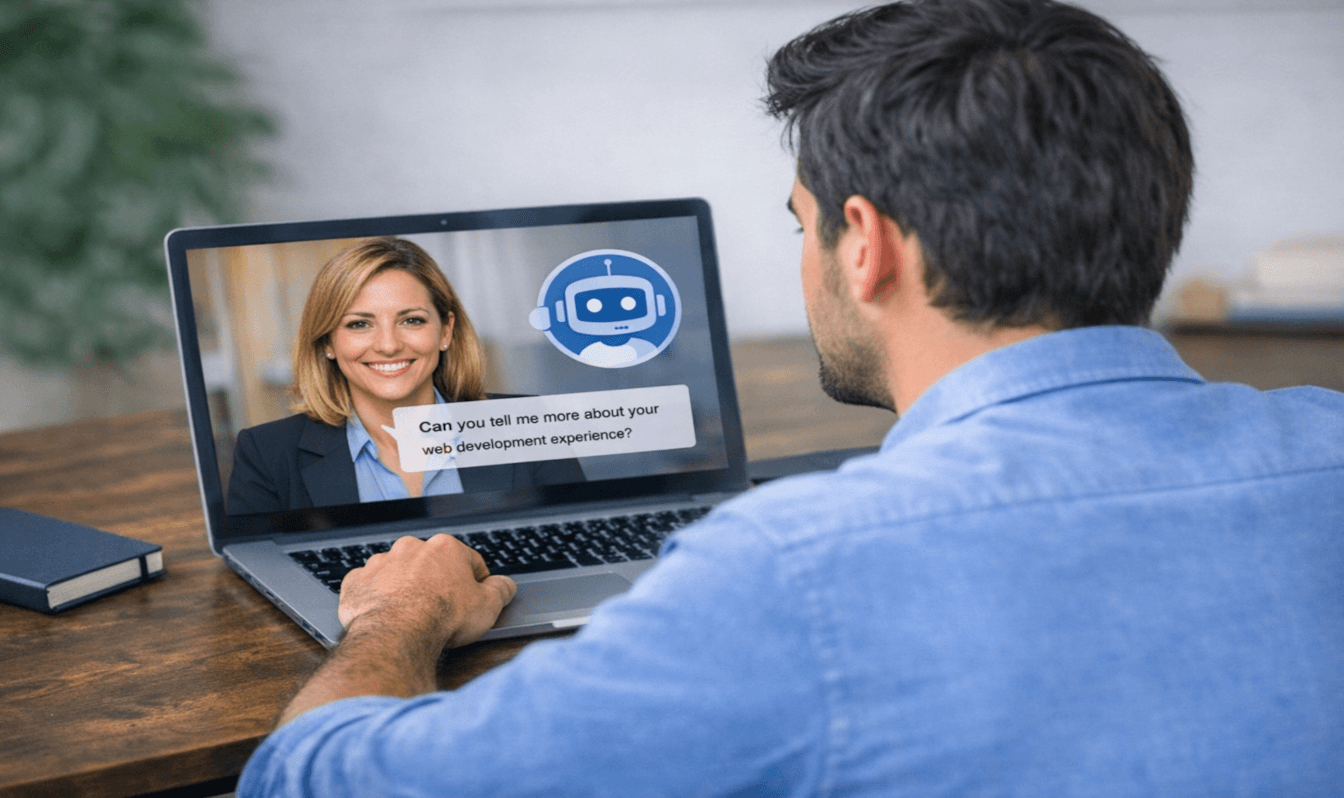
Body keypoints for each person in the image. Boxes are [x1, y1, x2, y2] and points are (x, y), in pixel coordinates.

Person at [240, 1, 1344, 795]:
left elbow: (313, 778)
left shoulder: (795, 570)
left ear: (862, 244)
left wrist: (398, 618)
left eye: (799, 221)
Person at [227, 237, 583, 513]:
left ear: (445, 331)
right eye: (359, 324)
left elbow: (576, 547)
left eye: (411, 320)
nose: (388, 345)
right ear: (327, 342)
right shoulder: (265, 454)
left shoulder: (530, 426)